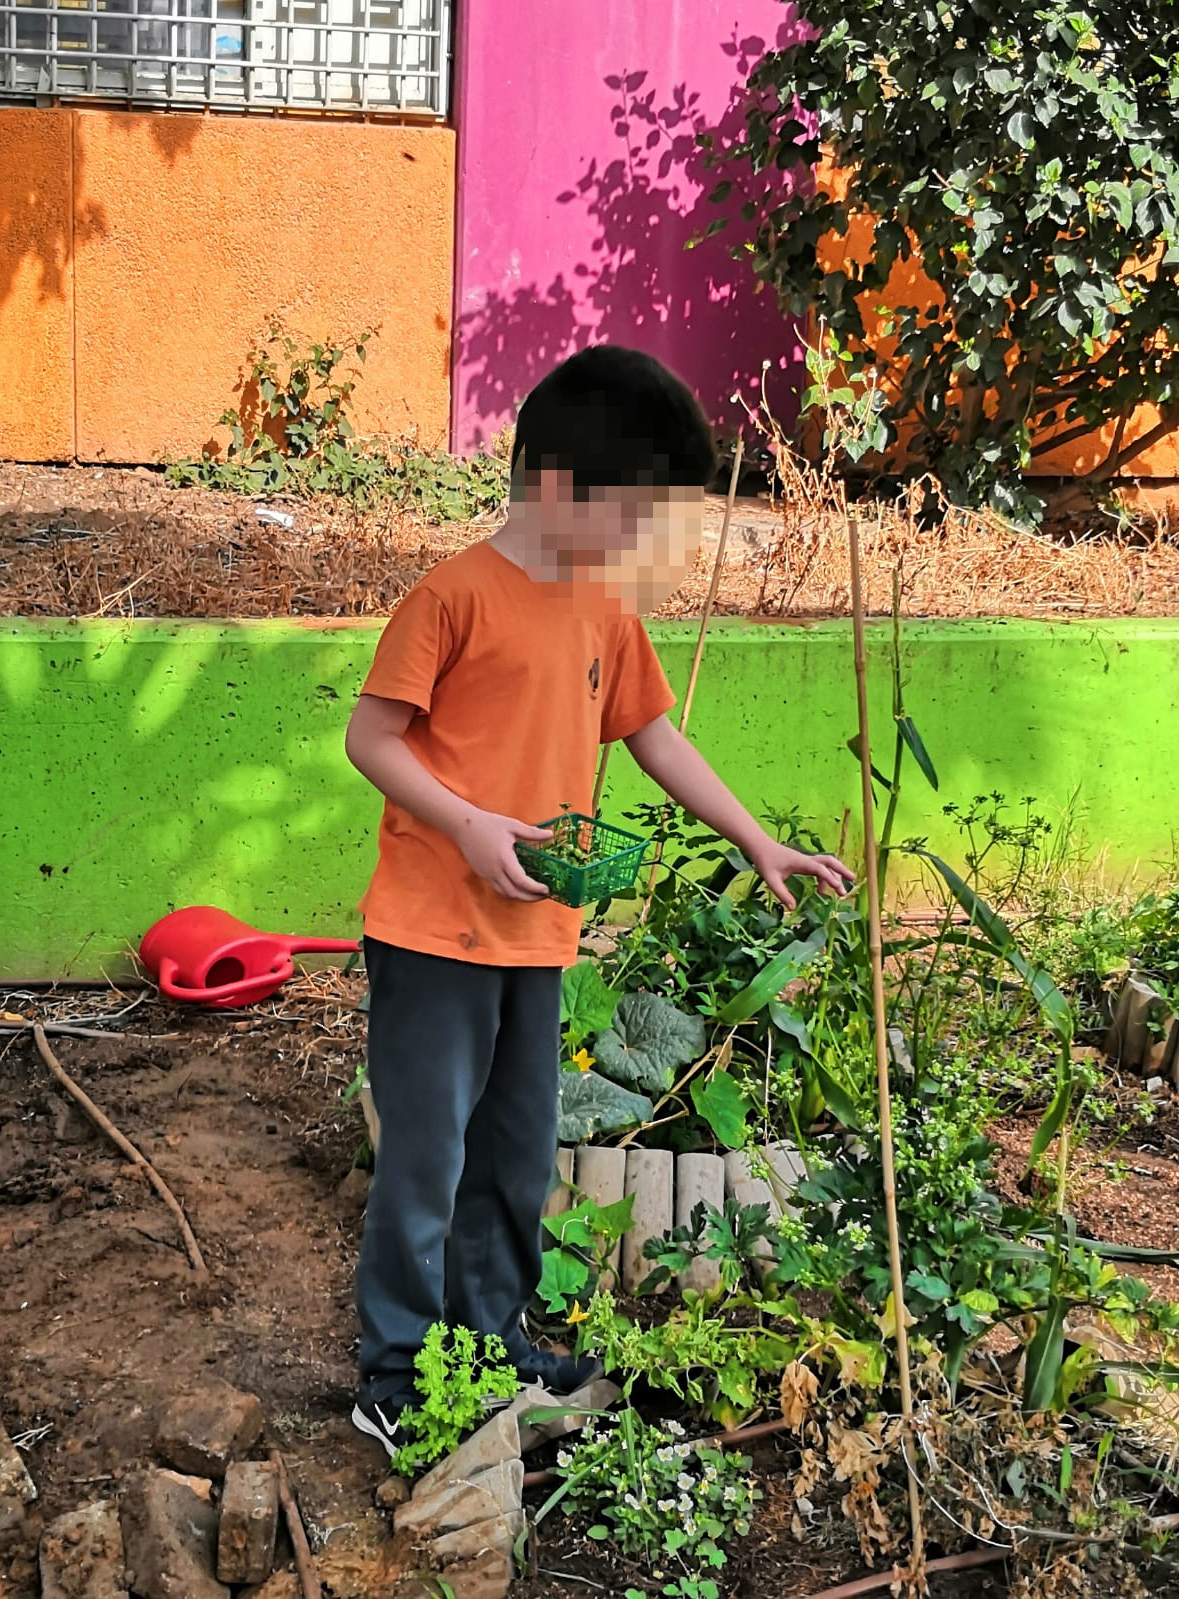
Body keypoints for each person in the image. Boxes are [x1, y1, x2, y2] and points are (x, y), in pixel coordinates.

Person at [344, 344, 853, 1454]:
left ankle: (489, 1342)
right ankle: (393, 1373)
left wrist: (759, 841)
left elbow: (656, 737)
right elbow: (370, 739)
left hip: (538, 931)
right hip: (433, 935)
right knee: (426, 1159)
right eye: (632, 513)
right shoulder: (451, 598)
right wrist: (469, 824)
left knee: (517, 1152)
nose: (639, 539)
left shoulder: (602, 613)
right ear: (559, 483)